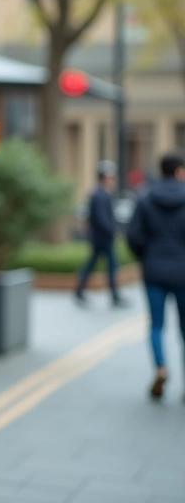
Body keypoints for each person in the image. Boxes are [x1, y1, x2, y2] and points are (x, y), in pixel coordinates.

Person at [125, 151, 185, 400]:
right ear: (179, 171)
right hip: (183, 272)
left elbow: (132, 235)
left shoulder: (145, 197)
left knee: (157, 325)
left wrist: (145, 256)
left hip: (154, 270)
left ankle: (161, 368)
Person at [74, 160, 126, 307]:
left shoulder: (102, 193)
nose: (113, 180)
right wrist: (113, 231)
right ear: (104, 177)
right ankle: (114, 296)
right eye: (111, 177)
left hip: (101, 238)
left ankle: (81, 291)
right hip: (102, 238)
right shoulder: (99, 195)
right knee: (110, 266)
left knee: (97, 265)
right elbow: (101, 218)